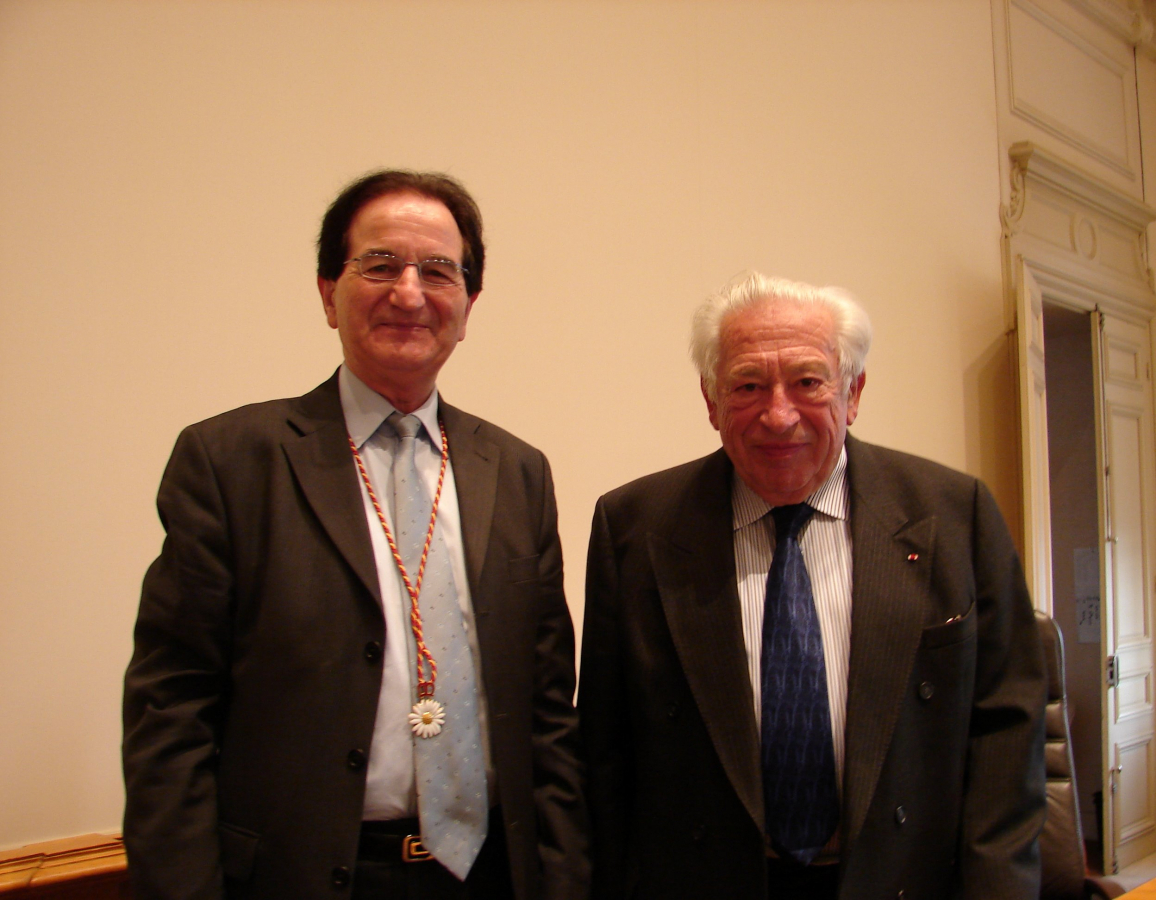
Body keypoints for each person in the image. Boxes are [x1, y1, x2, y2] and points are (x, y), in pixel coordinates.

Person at [123, 170, 589, 900]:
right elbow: (171, 712)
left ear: (468, 306)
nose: (409, 292)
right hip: (307, 876)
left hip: (491, 873)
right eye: (380, 265)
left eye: (438, 271)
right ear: (326, 292)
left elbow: (547, 714)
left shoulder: (519, 471)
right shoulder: (232, 462)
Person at [579, 271, 1045, 900]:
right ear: (711, 400)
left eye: (807, 382)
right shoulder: (633, 528)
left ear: (852, 393)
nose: (779, 415)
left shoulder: (955, 515)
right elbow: (607, 754)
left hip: (903, 880)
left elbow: (1006, 735)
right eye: (747, 385)